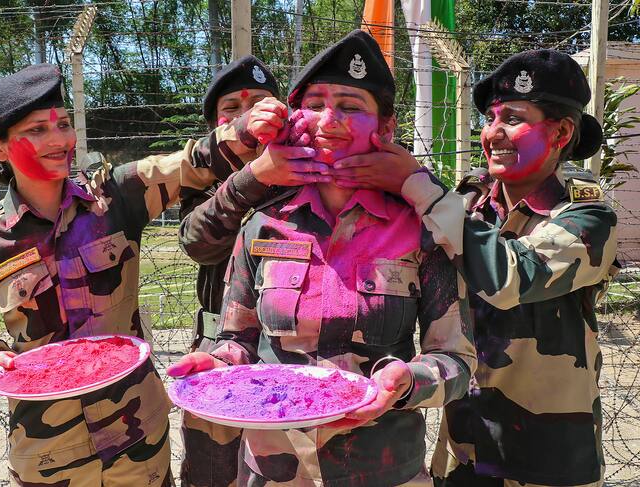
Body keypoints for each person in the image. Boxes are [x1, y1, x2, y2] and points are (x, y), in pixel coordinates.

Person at [169, 30, 476, 486]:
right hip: (276, 469)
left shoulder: (421, 231)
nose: (329, 120)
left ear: (386, 128)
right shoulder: (264, 226)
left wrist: (407, 381)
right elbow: (237, 339)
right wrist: (218, 363)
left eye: (351, 106)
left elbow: (456, 361)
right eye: (314, 104)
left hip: (382, 468)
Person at [328, 49, 618, 487]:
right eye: (489, 118)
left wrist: (413, 183)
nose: (493, 133)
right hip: (464, 442)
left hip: (548, 450)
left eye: (513, 118)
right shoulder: (465, 204)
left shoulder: (588, 218)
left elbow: (511, 276)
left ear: (561, 132)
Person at [0, 64, 183, 486]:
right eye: (37, 130)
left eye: (64, 124)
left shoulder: (113, 202)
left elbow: (194, 161)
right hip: (52, 451)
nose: (59, 140)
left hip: (138, 438)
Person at [178, 55, 331, 487]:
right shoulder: (205, 177)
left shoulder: (310, 167)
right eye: (233, 108)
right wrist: (255, 177)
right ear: (218, 125)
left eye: (261, 101)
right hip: (219, 348)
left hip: (288, 351)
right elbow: (197, 243)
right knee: (214, 470)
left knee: (281, 470)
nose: (249, 114)